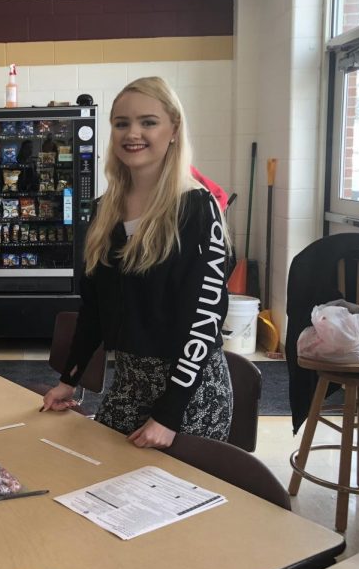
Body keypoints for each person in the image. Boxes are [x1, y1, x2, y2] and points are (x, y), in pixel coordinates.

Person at [41, 76, 233, 449]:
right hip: (128, 383)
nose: (133, 133)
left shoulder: (198, 207)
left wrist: (167, 415)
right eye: (122, 123)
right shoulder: (104, 209)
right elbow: (94, 310)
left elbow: (206, 320)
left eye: (148, 122)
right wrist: (70, 379)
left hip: (189, 394)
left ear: (174, 129)